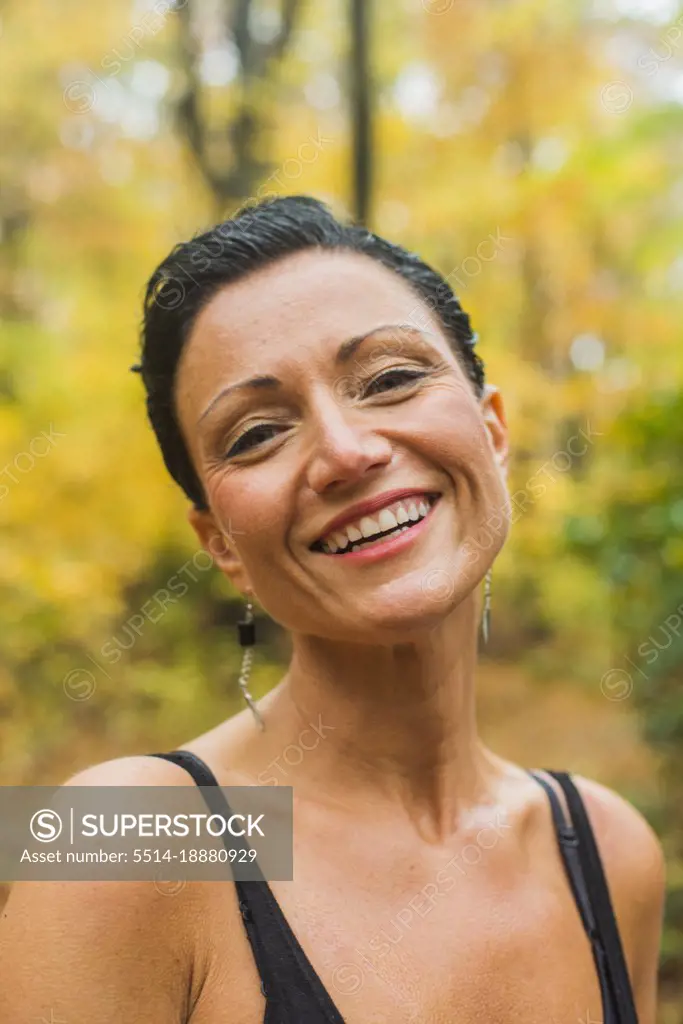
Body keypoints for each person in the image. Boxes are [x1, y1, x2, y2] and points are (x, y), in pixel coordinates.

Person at [0, 195, 665, 1023]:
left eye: (389, 380)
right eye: (255, 433)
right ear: (221, 546)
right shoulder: (127, 838)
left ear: (492, 433)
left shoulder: (606, 851)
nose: (346, 454)